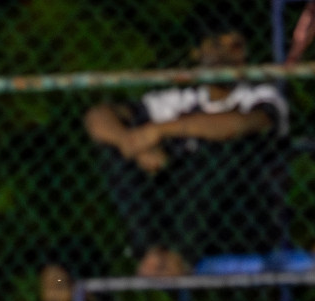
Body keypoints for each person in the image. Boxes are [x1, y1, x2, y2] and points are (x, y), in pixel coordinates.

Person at [83, 22, 288, 277]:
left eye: (234, 46)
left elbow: (238, 124)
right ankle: (151, 252)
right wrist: (131, 143)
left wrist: (159, 131)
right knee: (114, 147)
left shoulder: (261, 97)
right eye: (214, 45)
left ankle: (181, 255)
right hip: (177, 215)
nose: (223, 55)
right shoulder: (180, 99)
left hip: (240, 219)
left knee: (227, 144)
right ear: (196, 52)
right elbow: (98, 116)